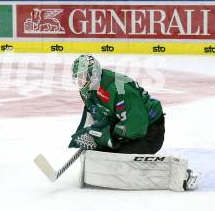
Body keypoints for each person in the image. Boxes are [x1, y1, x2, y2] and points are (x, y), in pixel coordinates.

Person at [68, 54, 199, 191]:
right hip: (124, 123)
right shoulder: (87, 89)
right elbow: (94, 113)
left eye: (82, 76)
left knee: (119, 157)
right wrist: (90, 134)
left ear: (93, 74)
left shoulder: (119, 88)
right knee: (102, 150)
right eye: (77, 77)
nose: (79, 81)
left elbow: (137, 125)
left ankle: (183, 175)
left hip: (149, 129)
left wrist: (110, 138)